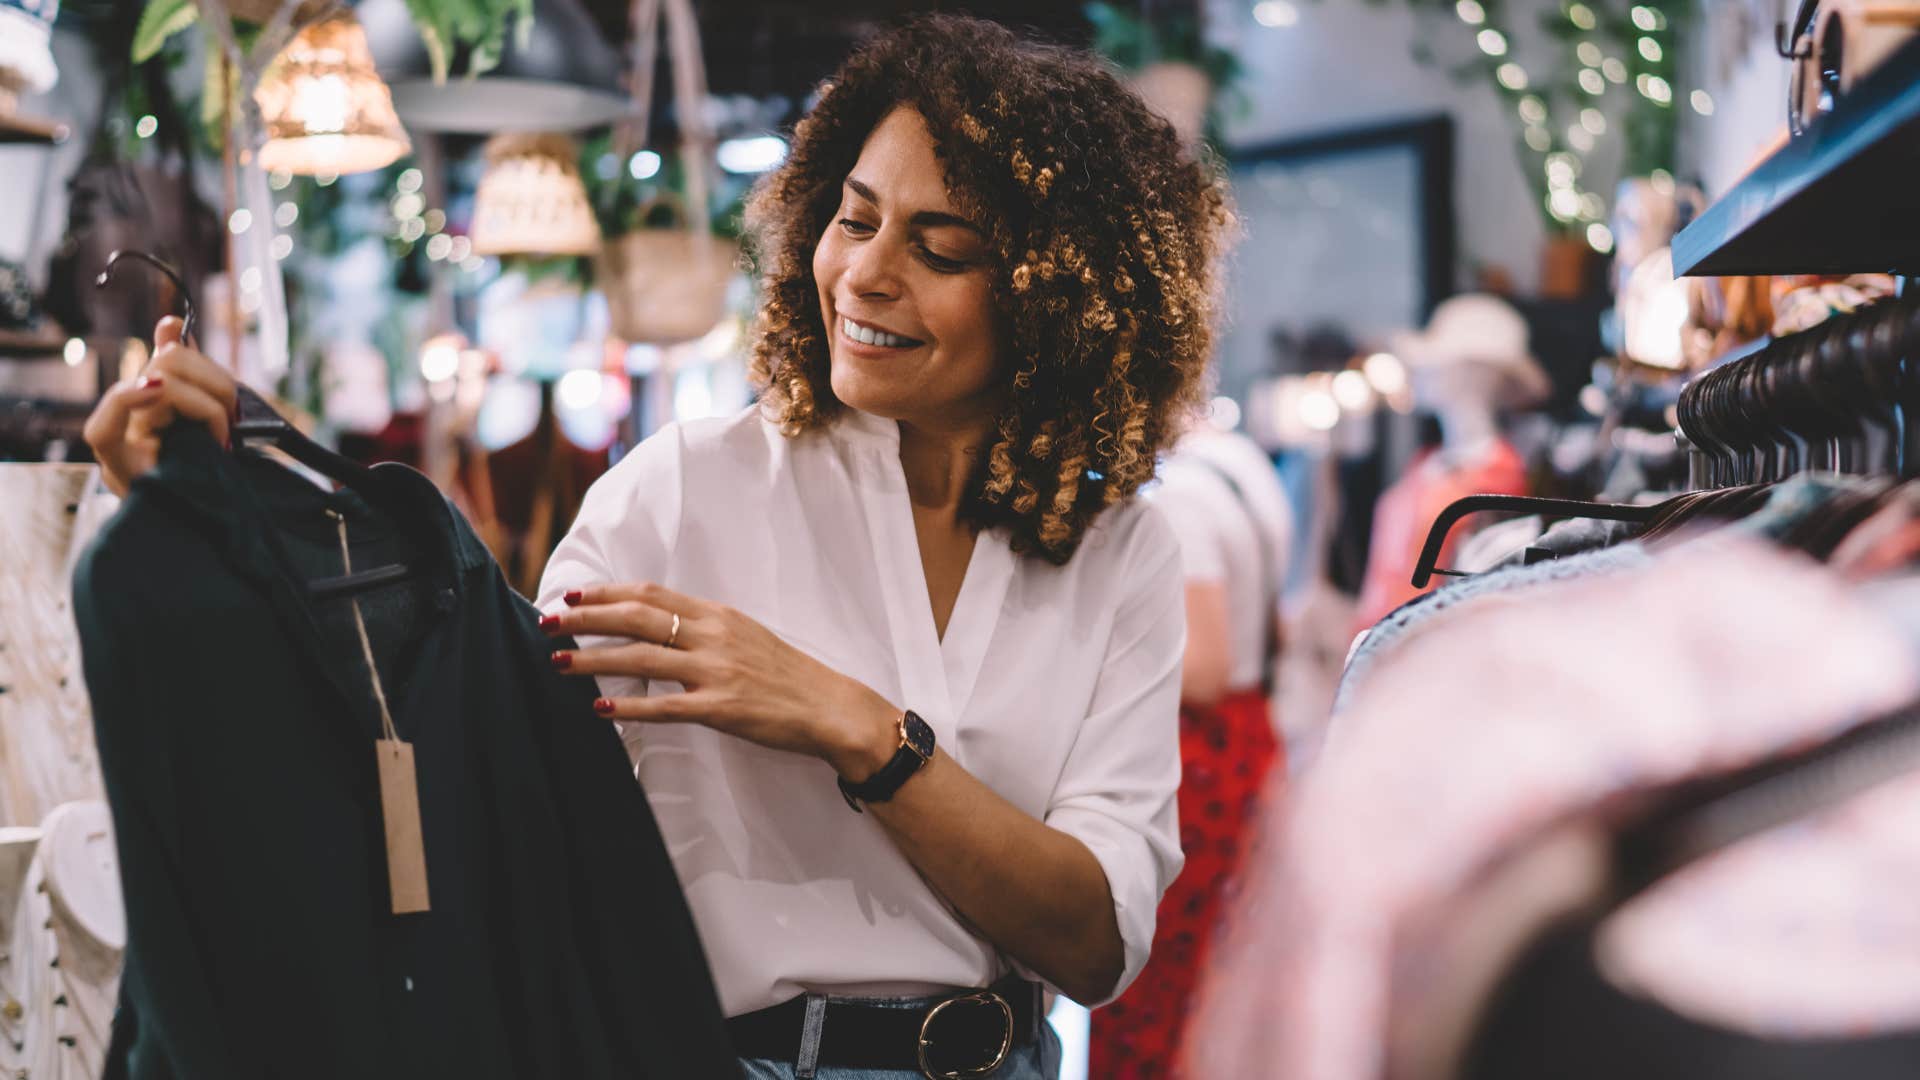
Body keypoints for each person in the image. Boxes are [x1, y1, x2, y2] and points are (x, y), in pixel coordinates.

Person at [84, 15, 1232, 1079]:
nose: (868, 273)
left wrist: (854, 726)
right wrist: (216, 525)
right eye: (856, 216)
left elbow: (1095, 940)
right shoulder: (689, 491)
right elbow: (473, 765)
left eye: (941, 248)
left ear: (1059, 299)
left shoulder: (1115, 550)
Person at [1090, 417, 1292, 1077]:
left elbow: (1203, 669)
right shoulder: (1243, 464)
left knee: (1160, 991)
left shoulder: (1173, 499)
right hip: (1251, 735)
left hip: (1197, 763)